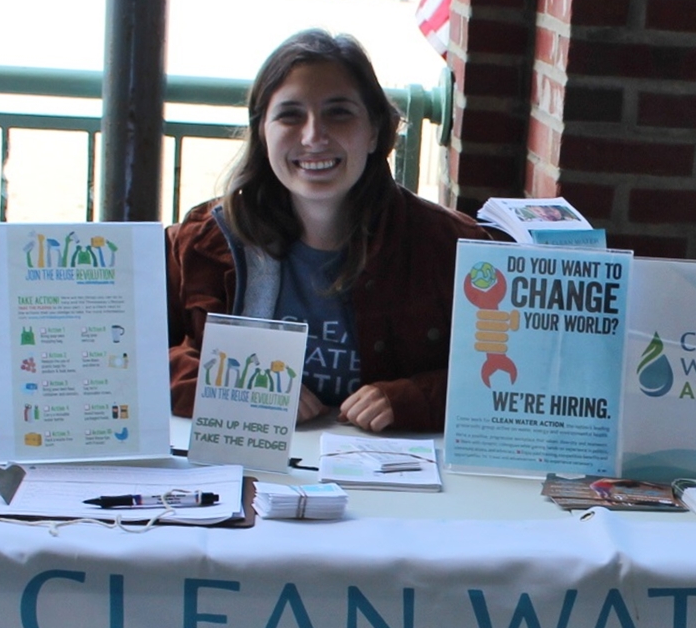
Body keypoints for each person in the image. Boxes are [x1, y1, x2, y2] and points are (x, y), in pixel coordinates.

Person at [167, 29, 484, 433]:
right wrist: (239, 390)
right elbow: (130, 354)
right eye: (290, 115)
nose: (314, 136)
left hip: (394, 467)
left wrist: (414, 399)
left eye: (338, 113)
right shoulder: (205, 241)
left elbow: (517, 376)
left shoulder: (454, 247)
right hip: (249, 464)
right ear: (262, 132)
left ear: (375, 130)